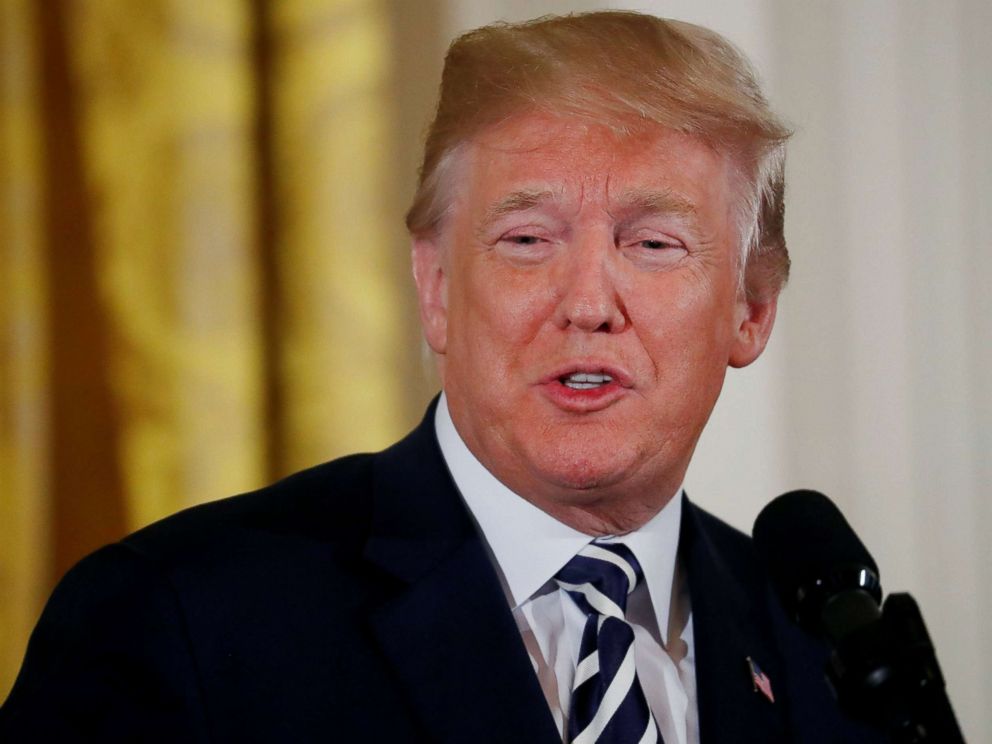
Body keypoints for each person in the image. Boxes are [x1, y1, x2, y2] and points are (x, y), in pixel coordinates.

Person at [1, 11, 883, 743]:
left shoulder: (829, 652)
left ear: (751, 310)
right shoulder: (180, 620)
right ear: (436, 290)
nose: (586, 303)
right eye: (527, 239)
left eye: (652, 244)